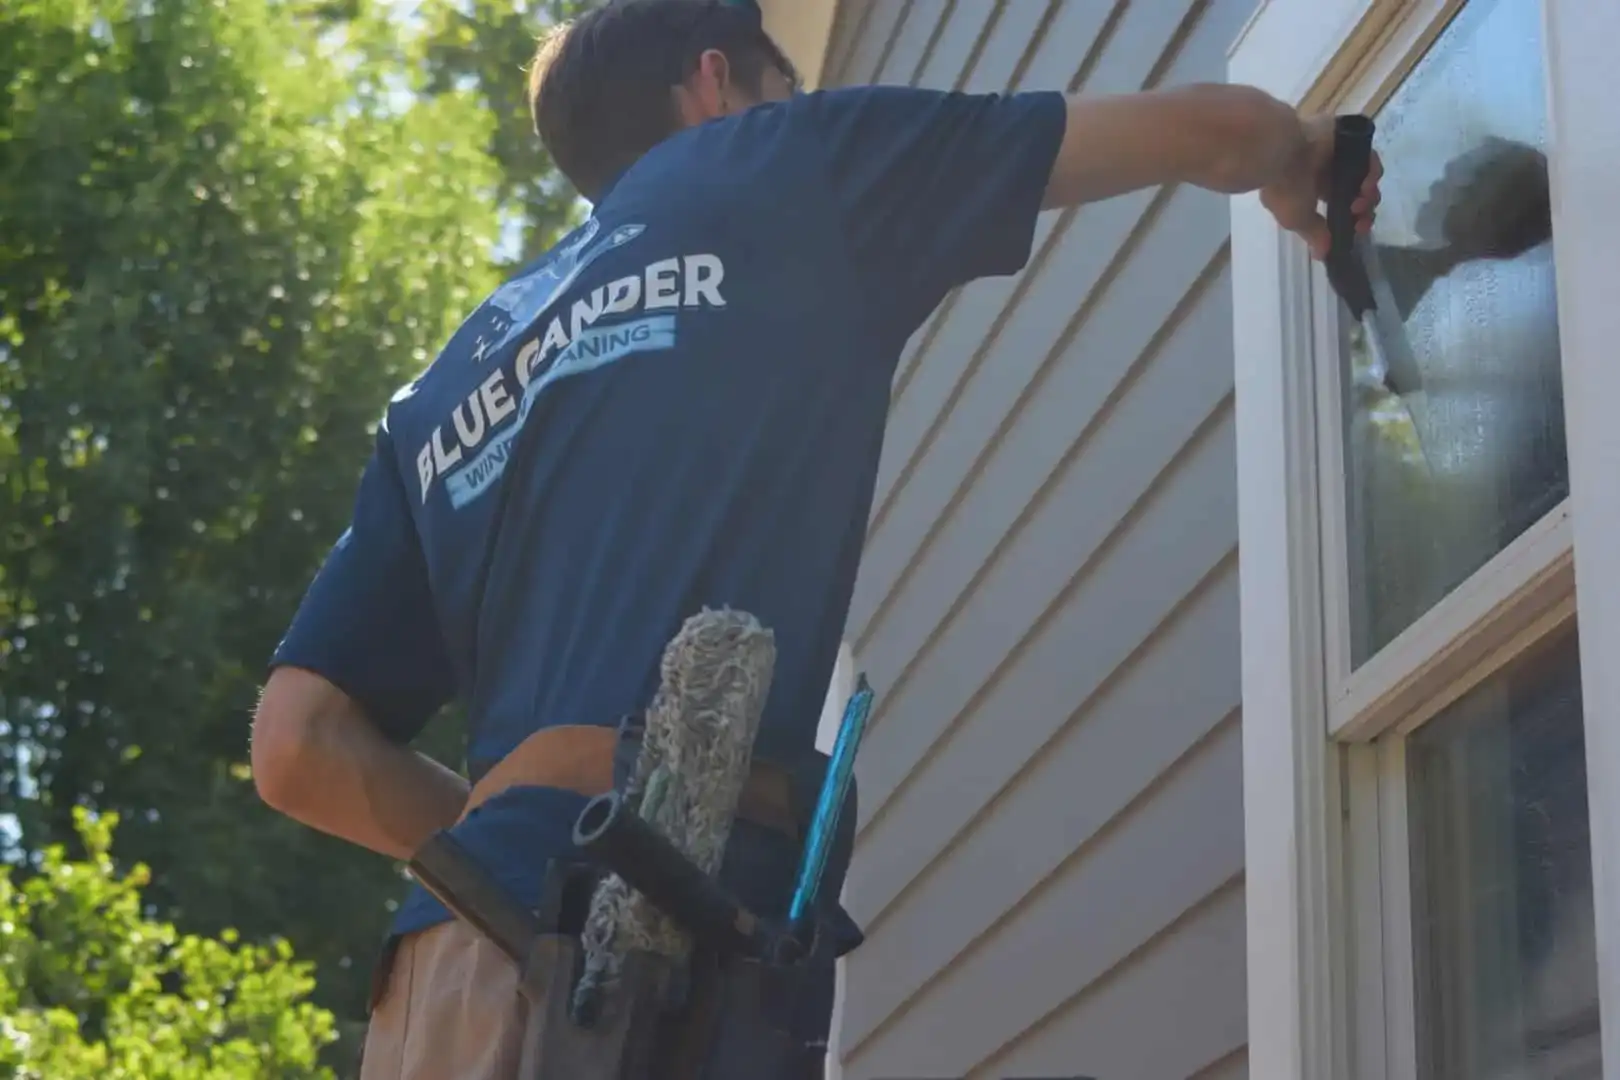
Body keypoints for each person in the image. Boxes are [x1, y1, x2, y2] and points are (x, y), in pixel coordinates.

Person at [248, 2, 1382, 1078]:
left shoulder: (455, 379)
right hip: (649, 967)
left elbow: (296, 747)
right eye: (787, 81)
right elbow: (1215, 129)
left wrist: (510, 837)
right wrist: (1304, 149)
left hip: (442, 975)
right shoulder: (781, 164)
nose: (802, 101)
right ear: (715, 84)